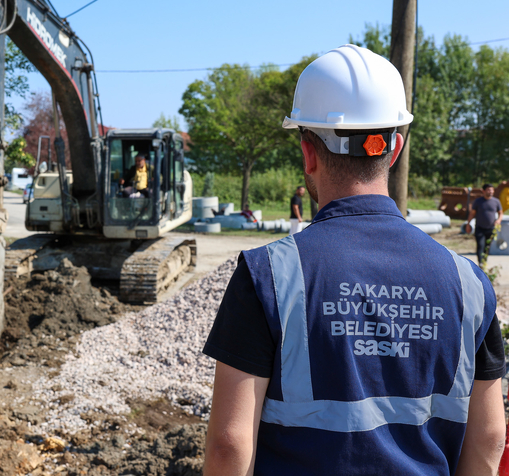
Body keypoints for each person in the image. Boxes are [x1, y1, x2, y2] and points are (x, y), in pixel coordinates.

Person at [203, 45, 505, 476]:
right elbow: (491, 438)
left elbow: (229, 447)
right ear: (395, 147)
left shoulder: (268, 276)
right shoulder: (470, 284)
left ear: (308, 153)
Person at [466, 184, 504, 269]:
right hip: (479, 228)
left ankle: (484, 262)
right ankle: (480, 263)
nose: (491, 192)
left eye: (492, 190)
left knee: (487, 247)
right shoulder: (478, 201)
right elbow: (472, 214)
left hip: (491, 229)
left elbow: (500, 213)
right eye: (489, 190)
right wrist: (468, 224)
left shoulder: (496, 201)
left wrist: (498, 220)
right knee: (480, 245)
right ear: (483, 191)